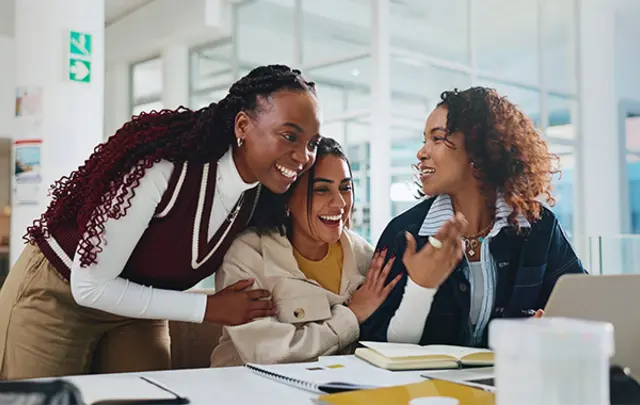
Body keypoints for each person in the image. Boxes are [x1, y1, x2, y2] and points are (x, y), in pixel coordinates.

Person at [0, 65, 322, 379]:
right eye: (289, 136)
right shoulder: (165, 168)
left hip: (137, 307)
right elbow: (89, 286)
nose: (303, 156)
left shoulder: (258, 199)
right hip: (61, 290)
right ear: (242, 125)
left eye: (311, 143)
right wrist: (208, 309)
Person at [360, 87, 587, 348]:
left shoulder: (539, 227)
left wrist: (550, 327)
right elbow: (375, 341)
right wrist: (420, 289)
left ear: (478, 148)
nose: (421, 153)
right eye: (425, 140)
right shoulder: (405, 234)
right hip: (425, 388)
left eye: (437, 139)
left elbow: (581, 308)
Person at [210, 137, 400, 367]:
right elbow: (268, 353)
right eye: (322, 189)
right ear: (287, 198)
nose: (339, 202)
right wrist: (351, 315)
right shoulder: (248, 255)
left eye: (345, 188)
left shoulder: (366, 258)